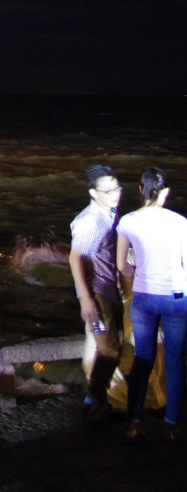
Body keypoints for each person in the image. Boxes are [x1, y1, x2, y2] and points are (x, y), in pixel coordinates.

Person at [117, 166, 187, 442]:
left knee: (142, 358)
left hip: (144, 297)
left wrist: (140, 273)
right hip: (177, 297)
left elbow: (122, 264)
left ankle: (135, 422)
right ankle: (172, 424)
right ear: (166, 192)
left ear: (140, 190)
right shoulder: (181, 223)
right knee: (176, 360)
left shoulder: (128, 221)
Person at [68, 163, 124, 423]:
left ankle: (98, 400)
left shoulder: (109, 213)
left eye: (117, 188)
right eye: (108, 190)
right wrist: (86, 299)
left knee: (113, 345)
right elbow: (74, 258)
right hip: (99, 293)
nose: (115, 194)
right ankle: (93, 401)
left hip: (109, 290)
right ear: (93, 193)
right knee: (109, 348)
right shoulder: (89, 221)